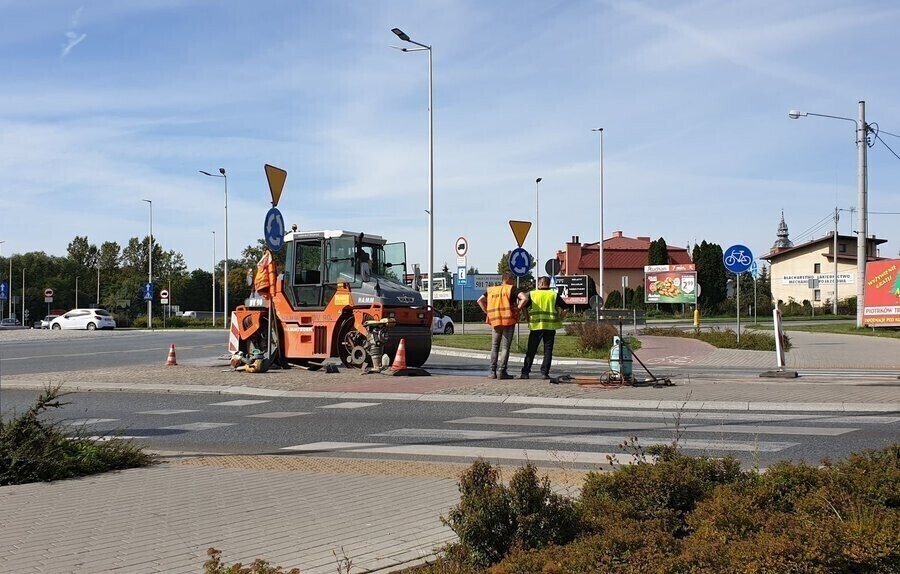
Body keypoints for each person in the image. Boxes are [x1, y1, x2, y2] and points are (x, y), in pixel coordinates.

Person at [477, 271, 526, 379]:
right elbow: (524, 298)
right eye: (512, 279)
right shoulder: (511, 289)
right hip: (508, 320)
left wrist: (488, 312)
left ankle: (492, 372)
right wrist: (518, 308)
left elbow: (480, 300)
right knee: (505, 347)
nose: (514, 281)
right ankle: (502, 371)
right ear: (508, 279)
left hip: (495, 321)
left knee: (494, 346)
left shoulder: (492, 290)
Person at [520, 276, 565, 380]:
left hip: (536, 326)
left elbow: (523, 306)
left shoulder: (532, 294)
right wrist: (559, 318)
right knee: (548, 351)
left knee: (531, 350)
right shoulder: (553, 295)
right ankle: (545, 373)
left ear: (540, 283)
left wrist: (527, 318)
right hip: (550, 327)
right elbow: (566, 308)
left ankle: (525, 372)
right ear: (548, 284)